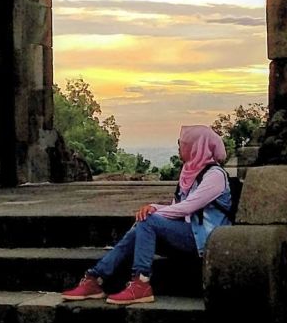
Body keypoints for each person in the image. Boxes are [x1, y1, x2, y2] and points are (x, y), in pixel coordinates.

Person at [61, 124, 232, 305]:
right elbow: (177, 207)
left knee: (148, 221)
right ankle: (96, 279)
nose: (179, 146)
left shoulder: (215, 175)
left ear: (196, 147)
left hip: (208, 239)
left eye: (183, 143)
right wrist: (153, 207)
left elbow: (187, 207)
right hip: (190, 234)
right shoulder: (189, 173)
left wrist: (153, 212)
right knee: (140, 228)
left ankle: (141, 282)